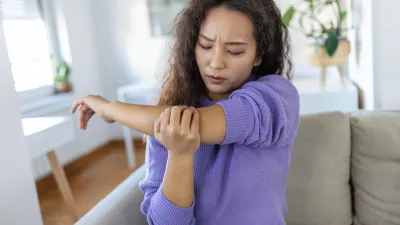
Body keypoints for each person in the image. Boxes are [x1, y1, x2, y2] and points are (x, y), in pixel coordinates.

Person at [71, 0, 300, 224]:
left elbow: (198, 123)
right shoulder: (165, 116)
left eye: (234, 51)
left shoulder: (277, 97)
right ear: (192, 45)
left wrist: (111, 109)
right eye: (206, 46)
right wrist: (179, 156)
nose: (216, 62)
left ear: (258, 55)